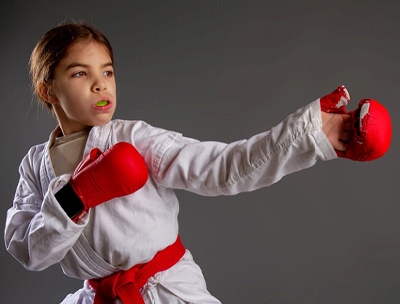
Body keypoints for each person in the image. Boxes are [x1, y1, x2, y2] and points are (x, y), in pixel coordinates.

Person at [4, 22, 391, 304]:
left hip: (168, 292)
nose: (101, 84)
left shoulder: (133, 139)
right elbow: (27, 251)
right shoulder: (34, 167)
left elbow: (221, 168)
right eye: (79, 73)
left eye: (107, 71)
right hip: (100, 297)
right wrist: (76, 196)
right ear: (47, 89)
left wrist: (311, 133)